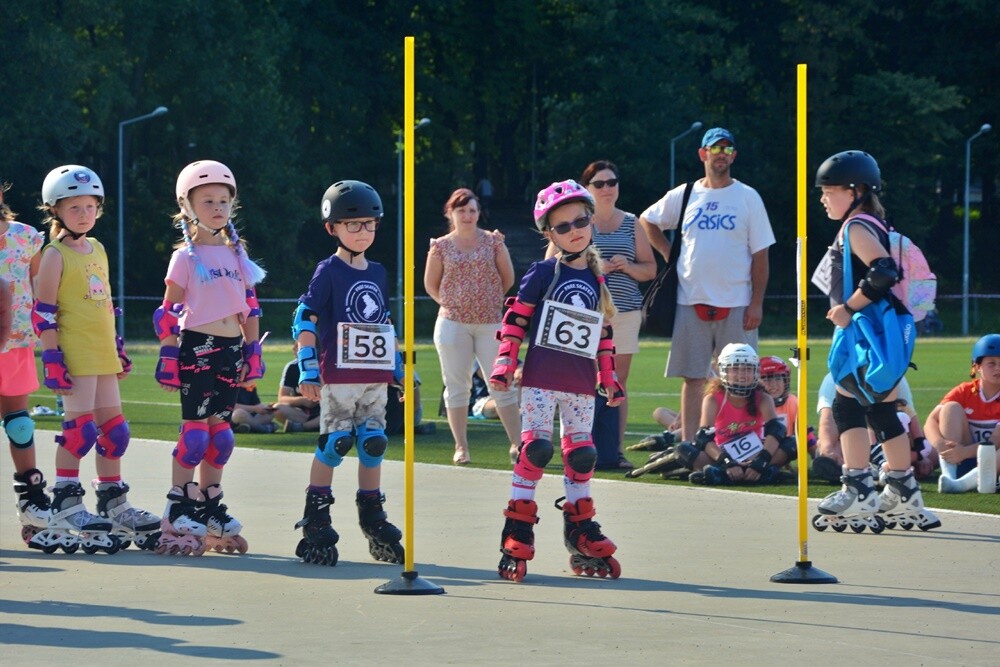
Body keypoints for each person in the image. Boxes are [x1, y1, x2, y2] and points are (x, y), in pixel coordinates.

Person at [490, 179, 625, 582]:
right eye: (562, 227)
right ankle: (517, 526)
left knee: (582, 455)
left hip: (581, 384)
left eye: (580, 221)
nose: (574, 231)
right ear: (549, 234)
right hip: (541, 380)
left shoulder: (597, 279)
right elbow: (515, 320)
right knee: (536, 449)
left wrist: (609, 377)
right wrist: (503, 362)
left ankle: (580, 529)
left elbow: (602, 334)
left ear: (591, 220)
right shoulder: (544, 272)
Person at [29, 165, 159, 554]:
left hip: (102, 354)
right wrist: (52, 356)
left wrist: (117, 347)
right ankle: (66, 504)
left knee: (115, 432)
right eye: (75, 207)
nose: (84, 214)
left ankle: (114, 503)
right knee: (79, 431)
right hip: (75, 355)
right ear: (55, 210)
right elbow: (44, 311)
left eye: (90, 206)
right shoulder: (54, 255)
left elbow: (105, 304)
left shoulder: (97, 248)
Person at [811, 150, 939, 532]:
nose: (822, 198)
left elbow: (883, 271)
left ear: (854, 190)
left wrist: (847, 308)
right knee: (881, 410)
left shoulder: (856, 227)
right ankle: (902, 488)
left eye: (829, 190)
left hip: (869, 332)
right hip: (886, 332)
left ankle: (858, 487)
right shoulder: (871, 222)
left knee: (846, 406)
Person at [153, 160, 266, 556]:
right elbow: (166, 312)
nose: (218, 207)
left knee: (222, 437)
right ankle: (179, 506)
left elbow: (250, 308)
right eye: (208, 201)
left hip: (231, 349)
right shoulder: (185, 257)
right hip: (197, 345)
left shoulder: (238, 254)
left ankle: (210, 505)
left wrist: (253, 351)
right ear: (188, 206)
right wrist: (168, 353)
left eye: (223, 200)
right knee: (196, 433)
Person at [291, 180, 405, 567]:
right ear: (332, 228)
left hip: (373, 374)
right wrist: (308, 367)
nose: (363, 233)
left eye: (370, 225)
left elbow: (382, 322)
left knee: (374, 443)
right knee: (336, 443)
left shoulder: (378, 272)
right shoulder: (329, 270)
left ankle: (373, 517)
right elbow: (305, 316)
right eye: (353, 225)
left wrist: (397, 367)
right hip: (339, 374)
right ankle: (317, 515)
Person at [639, 127, 775, 442]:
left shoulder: (747, 197)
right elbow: (648, 219)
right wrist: (668, 254)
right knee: (693, 378)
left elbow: (761, 254)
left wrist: (756, 302)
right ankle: (690, 446)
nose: (721, 155)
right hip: (691, 300)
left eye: (727, 150)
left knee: (742, 378)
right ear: (703, 154)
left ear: (734, 156)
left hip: (737, 302)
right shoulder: (686, 194)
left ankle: (741, 441)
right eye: (716, 149)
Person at [545, 161, 656, 470]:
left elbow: (650, 269)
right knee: (577, 382)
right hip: (581, 315)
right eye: (599, 183)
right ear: (587, 190)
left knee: (617, 383)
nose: (607, 188)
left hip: (623, 313)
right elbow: (550, 262)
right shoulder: (576, 220)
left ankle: (614, 450)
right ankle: (577, 447)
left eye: (612, 182)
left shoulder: (633, 223)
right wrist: (594, 266)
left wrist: (628, 267)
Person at [424, 187, 521, 465]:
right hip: (453, 324)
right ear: (450, 213)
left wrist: (485, 301)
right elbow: (431, 285)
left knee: (501, 383)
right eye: (461, 210)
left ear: (479, 213)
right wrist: (453, 303)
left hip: (490, 322)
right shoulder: (440, 246)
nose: (467, 215)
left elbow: (508, 278)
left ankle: (518, 443)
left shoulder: (493, 241)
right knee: (456, 386)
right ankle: (461, 446)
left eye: (472, 210)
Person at [631, 344, 795, 484]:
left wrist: (761, 460)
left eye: (747, 369)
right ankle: (763, 475)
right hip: (719, 454)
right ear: (724, 371)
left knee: (792, 444)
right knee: (685, 449)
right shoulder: (713, 398)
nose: (742, 375)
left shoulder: (763, 397)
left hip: (755, 455)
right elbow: (704, 437)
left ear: (755, 372)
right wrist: (727, 462)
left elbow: (776, 431)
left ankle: (721, 476)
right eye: (735, 369)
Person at [0, 181, 51, 545]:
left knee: (19, 425)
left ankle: (32, 499)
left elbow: (40, 285)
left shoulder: (27, 237)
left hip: (17, 341)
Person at [925, 334, 1000, 493]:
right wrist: (940, 444)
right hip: (961, 459)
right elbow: (931, 421)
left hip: (992, 462)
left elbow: (995, 441)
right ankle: (949, 475)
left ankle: (960, 484)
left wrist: (963, 452)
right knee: (950, 407)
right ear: (977, 366)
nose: (998, 368)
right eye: (991, 363)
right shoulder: (965, 391)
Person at [811, 372, 918, 484]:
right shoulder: (833, 378)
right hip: (853, 438)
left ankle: (873, 469)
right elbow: (828, 420)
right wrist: (828, 449)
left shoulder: (895, 376)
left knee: (930, 455)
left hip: (885, 435)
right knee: (829, 446)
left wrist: (919, 452)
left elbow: (909, 417)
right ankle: (882, 470)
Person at [275, 341, 321, 433]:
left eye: (297, 346)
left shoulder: (324, 365)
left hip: (324, 411)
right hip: (303, 414)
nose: (293, 349)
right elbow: (282, 398)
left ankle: (303, 427)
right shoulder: (292, 367)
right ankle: (313, 425)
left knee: (338, 411)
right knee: (277, 408)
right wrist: (303, 400)